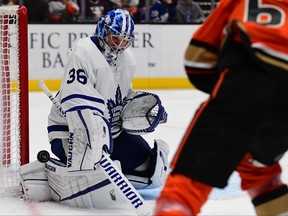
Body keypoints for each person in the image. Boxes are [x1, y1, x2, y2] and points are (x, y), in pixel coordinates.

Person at [19, 9, 169, 209]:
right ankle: (55, 173)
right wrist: (97, 140)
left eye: (125, 41)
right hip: (70, 133)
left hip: (110, 135)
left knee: (151, 169)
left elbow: (122, 95)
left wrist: (142, 107)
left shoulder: (127, 60)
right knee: (88, 162)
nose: (119, 46)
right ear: (103, 31)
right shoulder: (84, 52)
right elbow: (77, 103)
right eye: (115, 38)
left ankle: (99, 175)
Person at [154, 0, 288, 215]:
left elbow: (197, 60)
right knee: (257, 169)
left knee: (187, 185)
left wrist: (225, 90)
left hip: (244, 87)